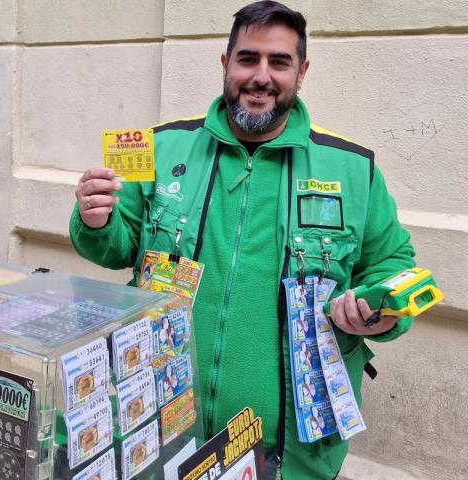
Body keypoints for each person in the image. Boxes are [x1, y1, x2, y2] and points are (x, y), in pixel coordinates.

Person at [69, 2, 415, 478]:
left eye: (279, 62)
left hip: (287, 455)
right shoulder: (161, 146)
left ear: (302, 72)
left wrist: (380, 309)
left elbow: (393, 265)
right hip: (159, 432)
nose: (261, 77)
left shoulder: (353, 169)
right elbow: (116, 247)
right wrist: (94, 219)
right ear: (225, 64)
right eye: (248, 59)